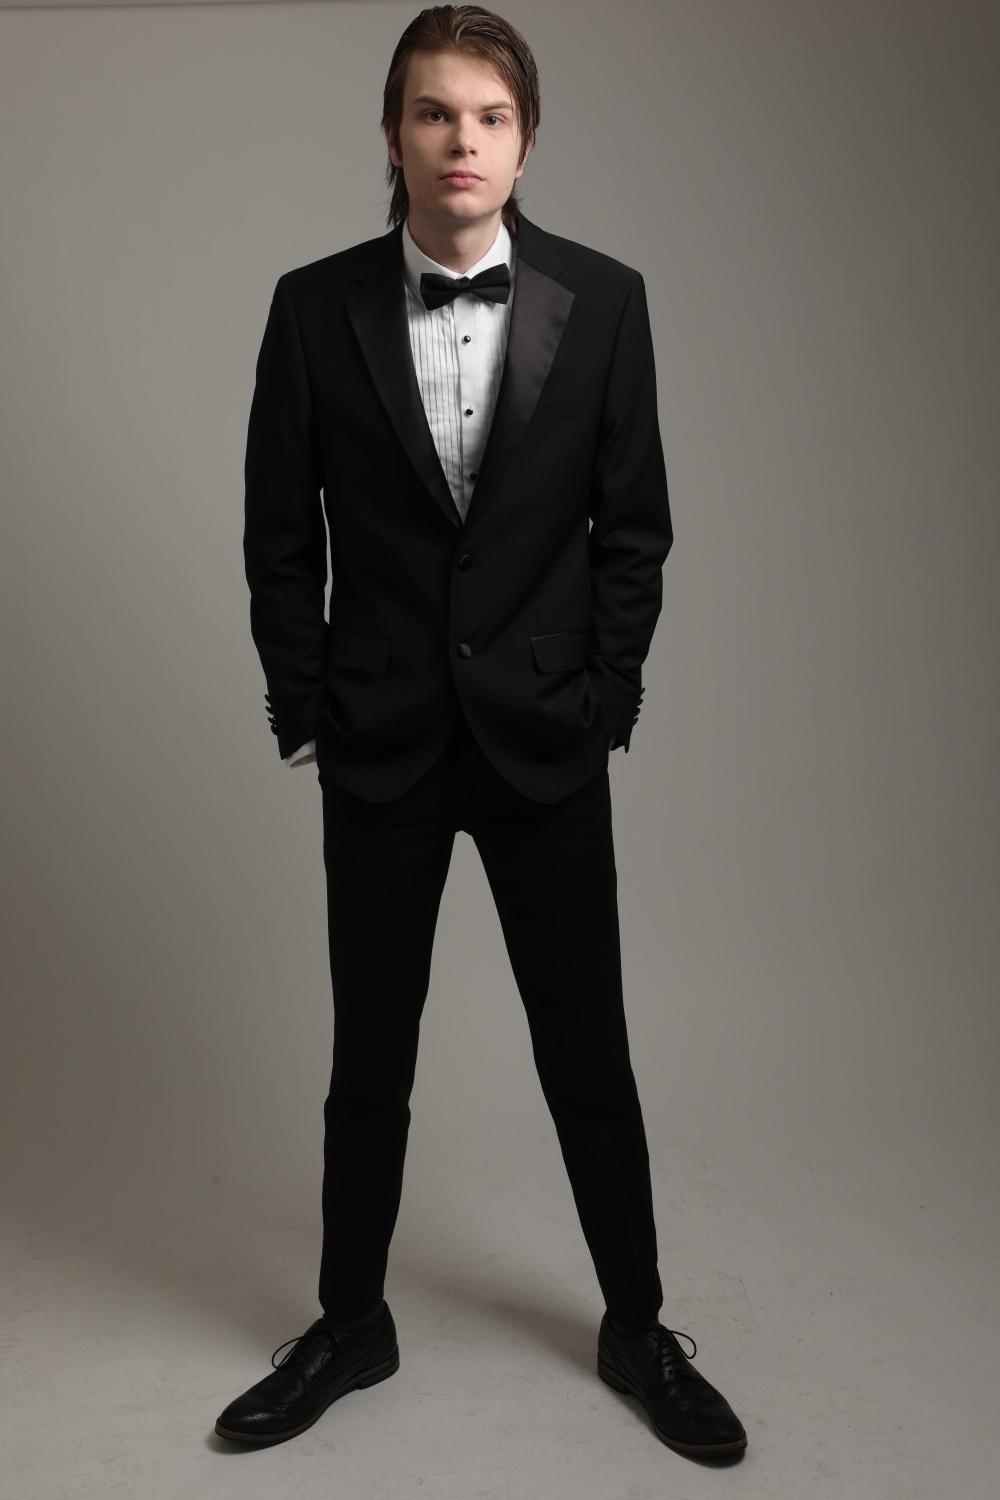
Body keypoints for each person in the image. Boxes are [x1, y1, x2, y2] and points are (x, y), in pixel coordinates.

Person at [215, 3, 746, 1459]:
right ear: (394, 134)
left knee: (590, 1058)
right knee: (367, 1064)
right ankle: (350, 1324)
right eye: (436, 113)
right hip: (379, 737)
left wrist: (606, 701)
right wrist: (304, 706)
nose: (464, 140)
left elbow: (635, 530)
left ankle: (638, 1328)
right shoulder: (311, 307)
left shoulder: (608, 301)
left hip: (544, 741)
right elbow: (278, 533)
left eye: (491, 117)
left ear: (526, 140)